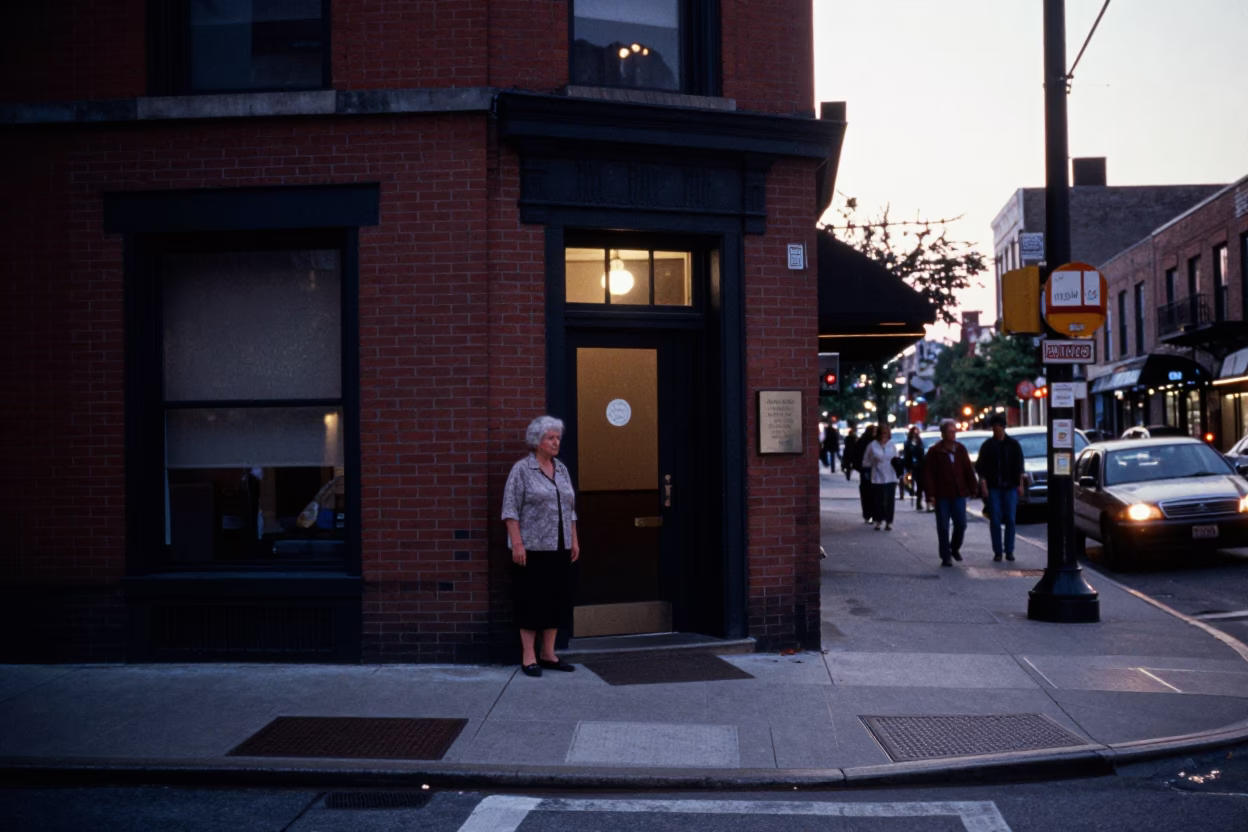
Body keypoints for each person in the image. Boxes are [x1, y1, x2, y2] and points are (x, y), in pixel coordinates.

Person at [501, 415, 580, 677]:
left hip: (560, 547)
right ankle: (528, 657)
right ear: (537, 441)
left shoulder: (562, 470)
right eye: (551, 437)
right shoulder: (522, 470)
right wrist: (518, 544)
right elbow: (510, 511)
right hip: (532, 549)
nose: (556, 442)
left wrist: (574, 539)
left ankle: (549, 654)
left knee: (556, 600)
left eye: (558, 437)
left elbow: (570, 509)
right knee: (531, 601)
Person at [922, 418, 979, 567]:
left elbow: (968, 469)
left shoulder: (960, 449)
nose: (953, 434)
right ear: (943, 433)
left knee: (961, 524)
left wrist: (973, 488)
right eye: (950, 431)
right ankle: (945, 556)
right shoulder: (935, 451)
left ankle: (954, 548)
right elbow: (928, 475)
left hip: (959, 493)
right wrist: (931, 495)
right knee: (943, 526)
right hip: (942, 495)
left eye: (955, 431)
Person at [975, 413, 1025, 562]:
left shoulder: (1013, 445)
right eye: (993, 427)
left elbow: (1020, 467)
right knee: (995, 519)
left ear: (1002, 427)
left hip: (1010, 486)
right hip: (994, 487)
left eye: (997, 427)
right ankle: (997, 551)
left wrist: (1020, 485)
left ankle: (1009, 550)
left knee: (1010, 518)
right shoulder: (988, 446)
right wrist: (983, 486)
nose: (995, 430)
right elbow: (981, 468)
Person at [862, 424, 899, 530]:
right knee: (878, 500)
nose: (884, 436)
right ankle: (878, 520)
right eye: (882, 433)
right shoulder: (872, 445)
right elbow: (865, 461)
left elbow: (896, 459)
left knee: (889, 500)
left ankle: (889, 521)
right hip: (877, 477)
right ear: (878, 434)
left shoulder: (892, 445)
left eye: (886, 433)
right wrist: (870, 465)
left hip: (891, 476)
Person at [851, 425, 876, 522]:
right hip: (867, 470)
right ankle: (869, 514)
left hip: (867, 470)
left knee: (867, 492)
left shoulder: (864, 441)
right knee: (868, 492)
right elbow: (856, 456)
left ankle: (868, 514)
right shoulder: (867, 442)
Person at [902, 426, 927, 511]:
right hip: (910, 467)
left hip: (920, 467)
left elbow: (922, 454)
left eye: (917, 432)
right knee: (908, 483)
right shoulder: (907, 443)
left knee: (921, 485)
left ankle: (918, 503)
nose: (915, 434)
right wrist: (907, 466)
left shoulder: (920, 442)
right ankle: (912, 492)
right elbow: (906, 455)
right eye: (914, 432)